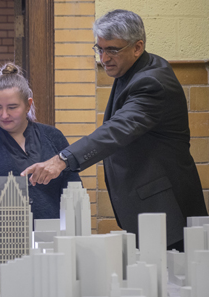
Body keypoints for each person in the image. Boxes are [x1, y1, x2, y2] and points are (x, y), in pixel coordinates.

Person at [21, 10, 208, 250]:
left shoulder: (152, 83)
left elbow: (116, 130)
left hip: (167, 211)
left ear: (137, 47)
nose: (103, 58)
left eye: (112, 50)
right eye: (99, 49)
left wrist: (62, 160)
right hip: (152, 208)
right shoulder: (134, 70)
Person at [0, 63, 81, 227]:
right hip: (0, 241)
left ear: (28, 104)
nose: (4, 115)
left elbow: (73, 187)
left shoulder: (53, 136)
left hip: (53, 238)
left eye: (12, 107)